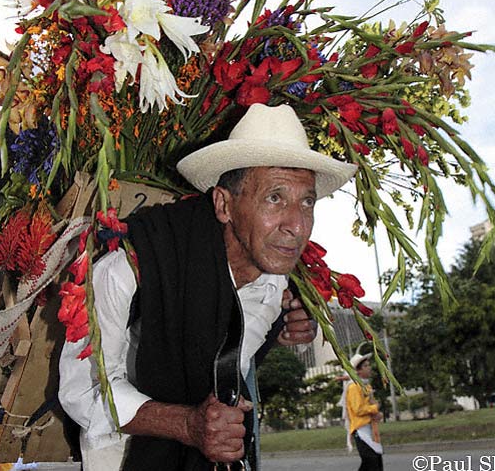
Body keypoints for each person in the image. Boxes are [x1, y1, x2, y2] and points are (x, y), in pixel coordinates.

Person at [59, 103, 357, 470]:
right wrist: (187, 424)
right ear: (223, 204)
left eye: (306, 202)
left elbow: (227, 365)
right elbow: (82, 389)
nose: (296, 225)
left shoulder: (273, 286)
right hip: (123, 458)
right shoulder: (131, 266)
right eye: (275, 198)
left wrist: (275, 334)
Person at [344, 351, 384, 471]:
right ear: (358, 371)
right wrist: (374, 408)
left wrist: (377, 412)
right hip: (361, 431)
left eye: (368, 365)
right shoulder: (354, 387)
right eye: (366, 366)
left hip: (370, 430)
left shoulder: (366, 386)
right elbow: (358, 409)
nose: (369, 368)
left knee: (374, 464)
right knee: (371, 464)